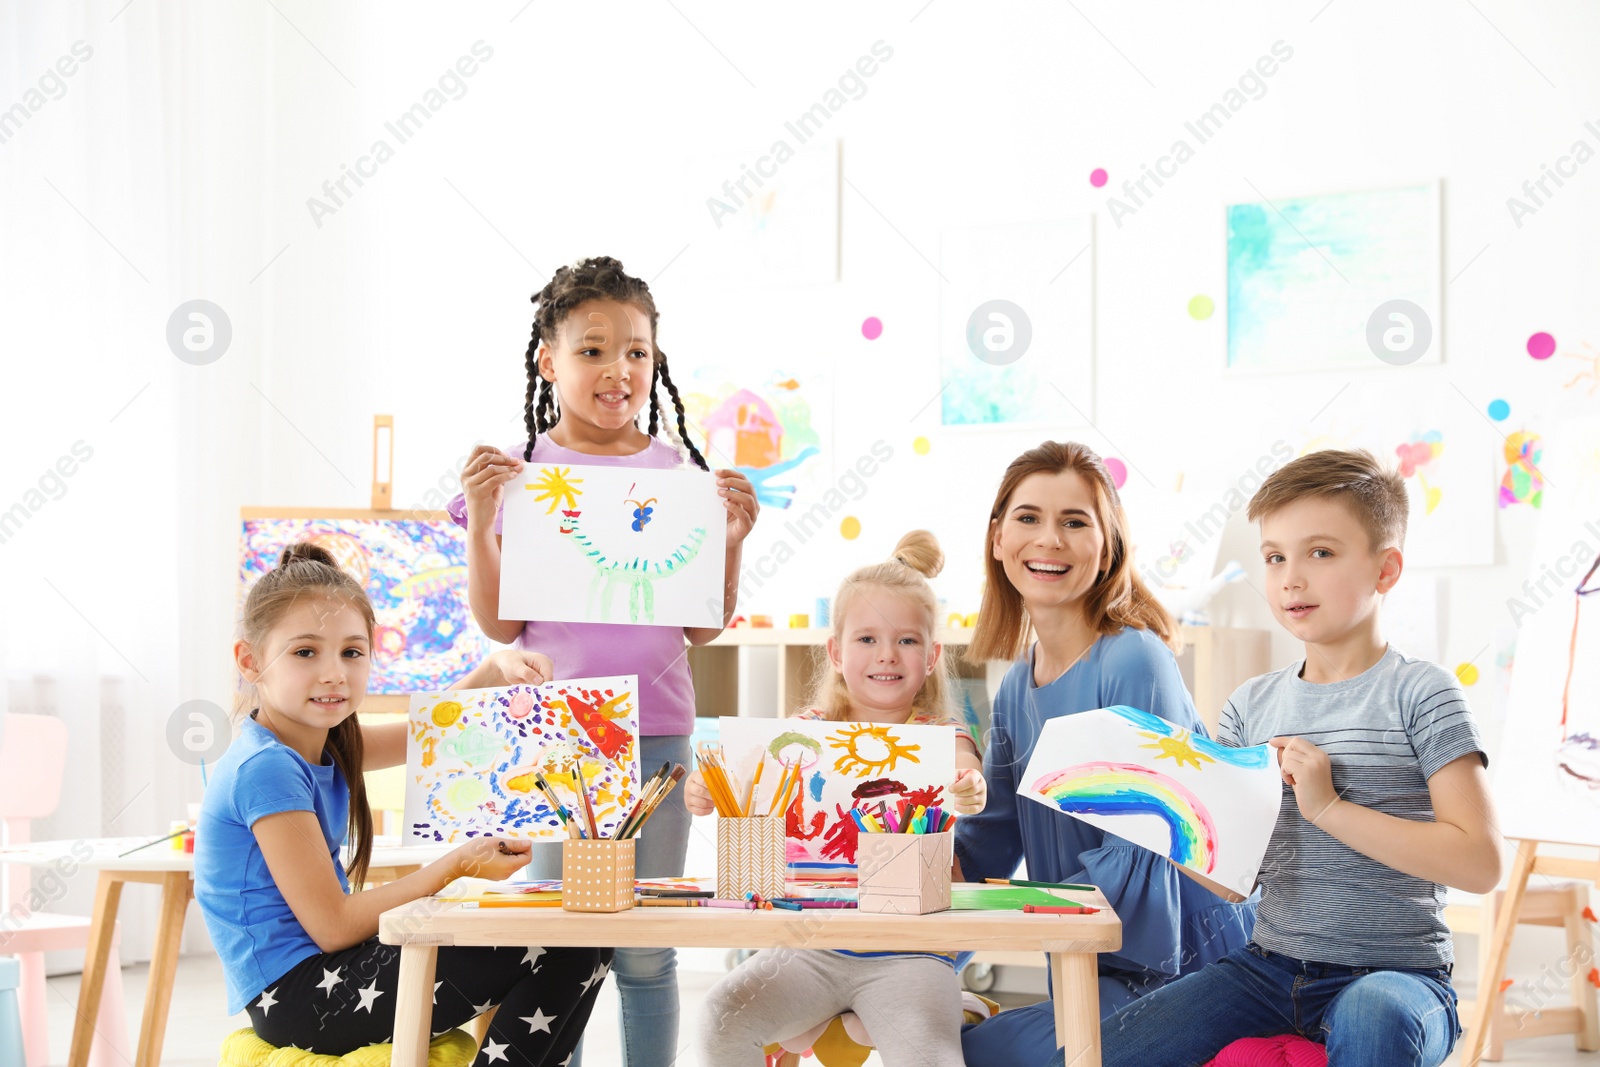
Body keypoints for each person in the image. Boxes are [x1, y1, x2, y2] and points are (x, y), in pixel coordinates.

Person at [1091, 448, 1501, 1066]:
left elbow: (1480, 862)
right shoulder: (1250, 705)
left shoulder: (1422, 692)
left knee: (1373, 1014)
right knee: (1107, 1052)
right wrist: (1164, 814)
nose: (1291, 579)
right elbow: (1232, 885)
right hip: (1269, 968)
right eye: (1275, 557)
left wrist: (1329, 807)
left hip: (1400, 974)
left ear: (1386, 570)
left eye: (1321, 553)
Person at [450, 255, 759, 1065]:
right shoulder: (518, 476)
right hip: (560, 740)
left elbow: (702, 629)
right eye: (592, 350)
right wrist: (485, 514)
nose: (617, 369)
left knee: (648, 945)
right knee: (563, 940)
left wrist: (729, 545)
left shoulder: (678, 477)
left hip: (657, 734)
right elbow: (499, 619)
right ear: (549, 361)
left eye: (636, 352)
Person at [196, 543, 610, 1065]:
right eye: (305, 652)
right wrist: (456, 866)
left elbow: (427, 732)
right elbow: (335, 925)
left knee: (587, 939)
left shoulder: (319, 743)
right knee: (560, 945)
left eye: (352, 652)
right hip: (302, 998)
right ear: (250, 661)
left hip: (328, 975)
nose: (334, 674)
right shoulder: (267, 768)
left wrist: (492, 669)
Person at [954, 441, 1257, 1065]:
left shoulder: (1133, 659)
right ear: (997, 538)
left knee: (980, 1056)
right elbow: (989, 839)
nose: (1050, 540)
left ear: (1108, 544)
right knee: (929, 1040)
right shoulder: (1017, 684)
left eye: (1075, 522)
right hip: (1090, 966)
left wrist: (1020, 916)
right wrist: (907, 940)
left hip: (1187, 971)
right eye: (1029, 518)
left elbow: (1152, 844)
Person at [690, 531, 987, 1066]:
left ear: (932, 655)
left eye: (908, 641)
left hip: (911, 955)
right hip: (809, 949)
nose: (887, 656)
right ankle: (835, 1029)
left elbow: (966, 774)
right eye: (867, 639)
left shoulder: (943, 735)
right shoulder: (802, 732)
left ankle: (875, 1022)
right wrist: (706, 789)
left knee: (931, 1057)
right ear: (835, 652)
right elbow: (740, 784)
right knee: (719, 1017)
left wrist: (969, 787)